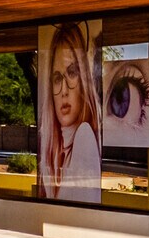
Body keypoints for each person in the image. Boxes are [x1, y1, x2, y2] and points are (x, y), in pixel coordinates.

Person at [40, 22, 102, 202]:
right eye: (57, 79)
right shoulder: (54, 154)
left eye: (72, 72)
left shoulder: (84, 136)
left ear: (84, 79)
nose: (64, 90)